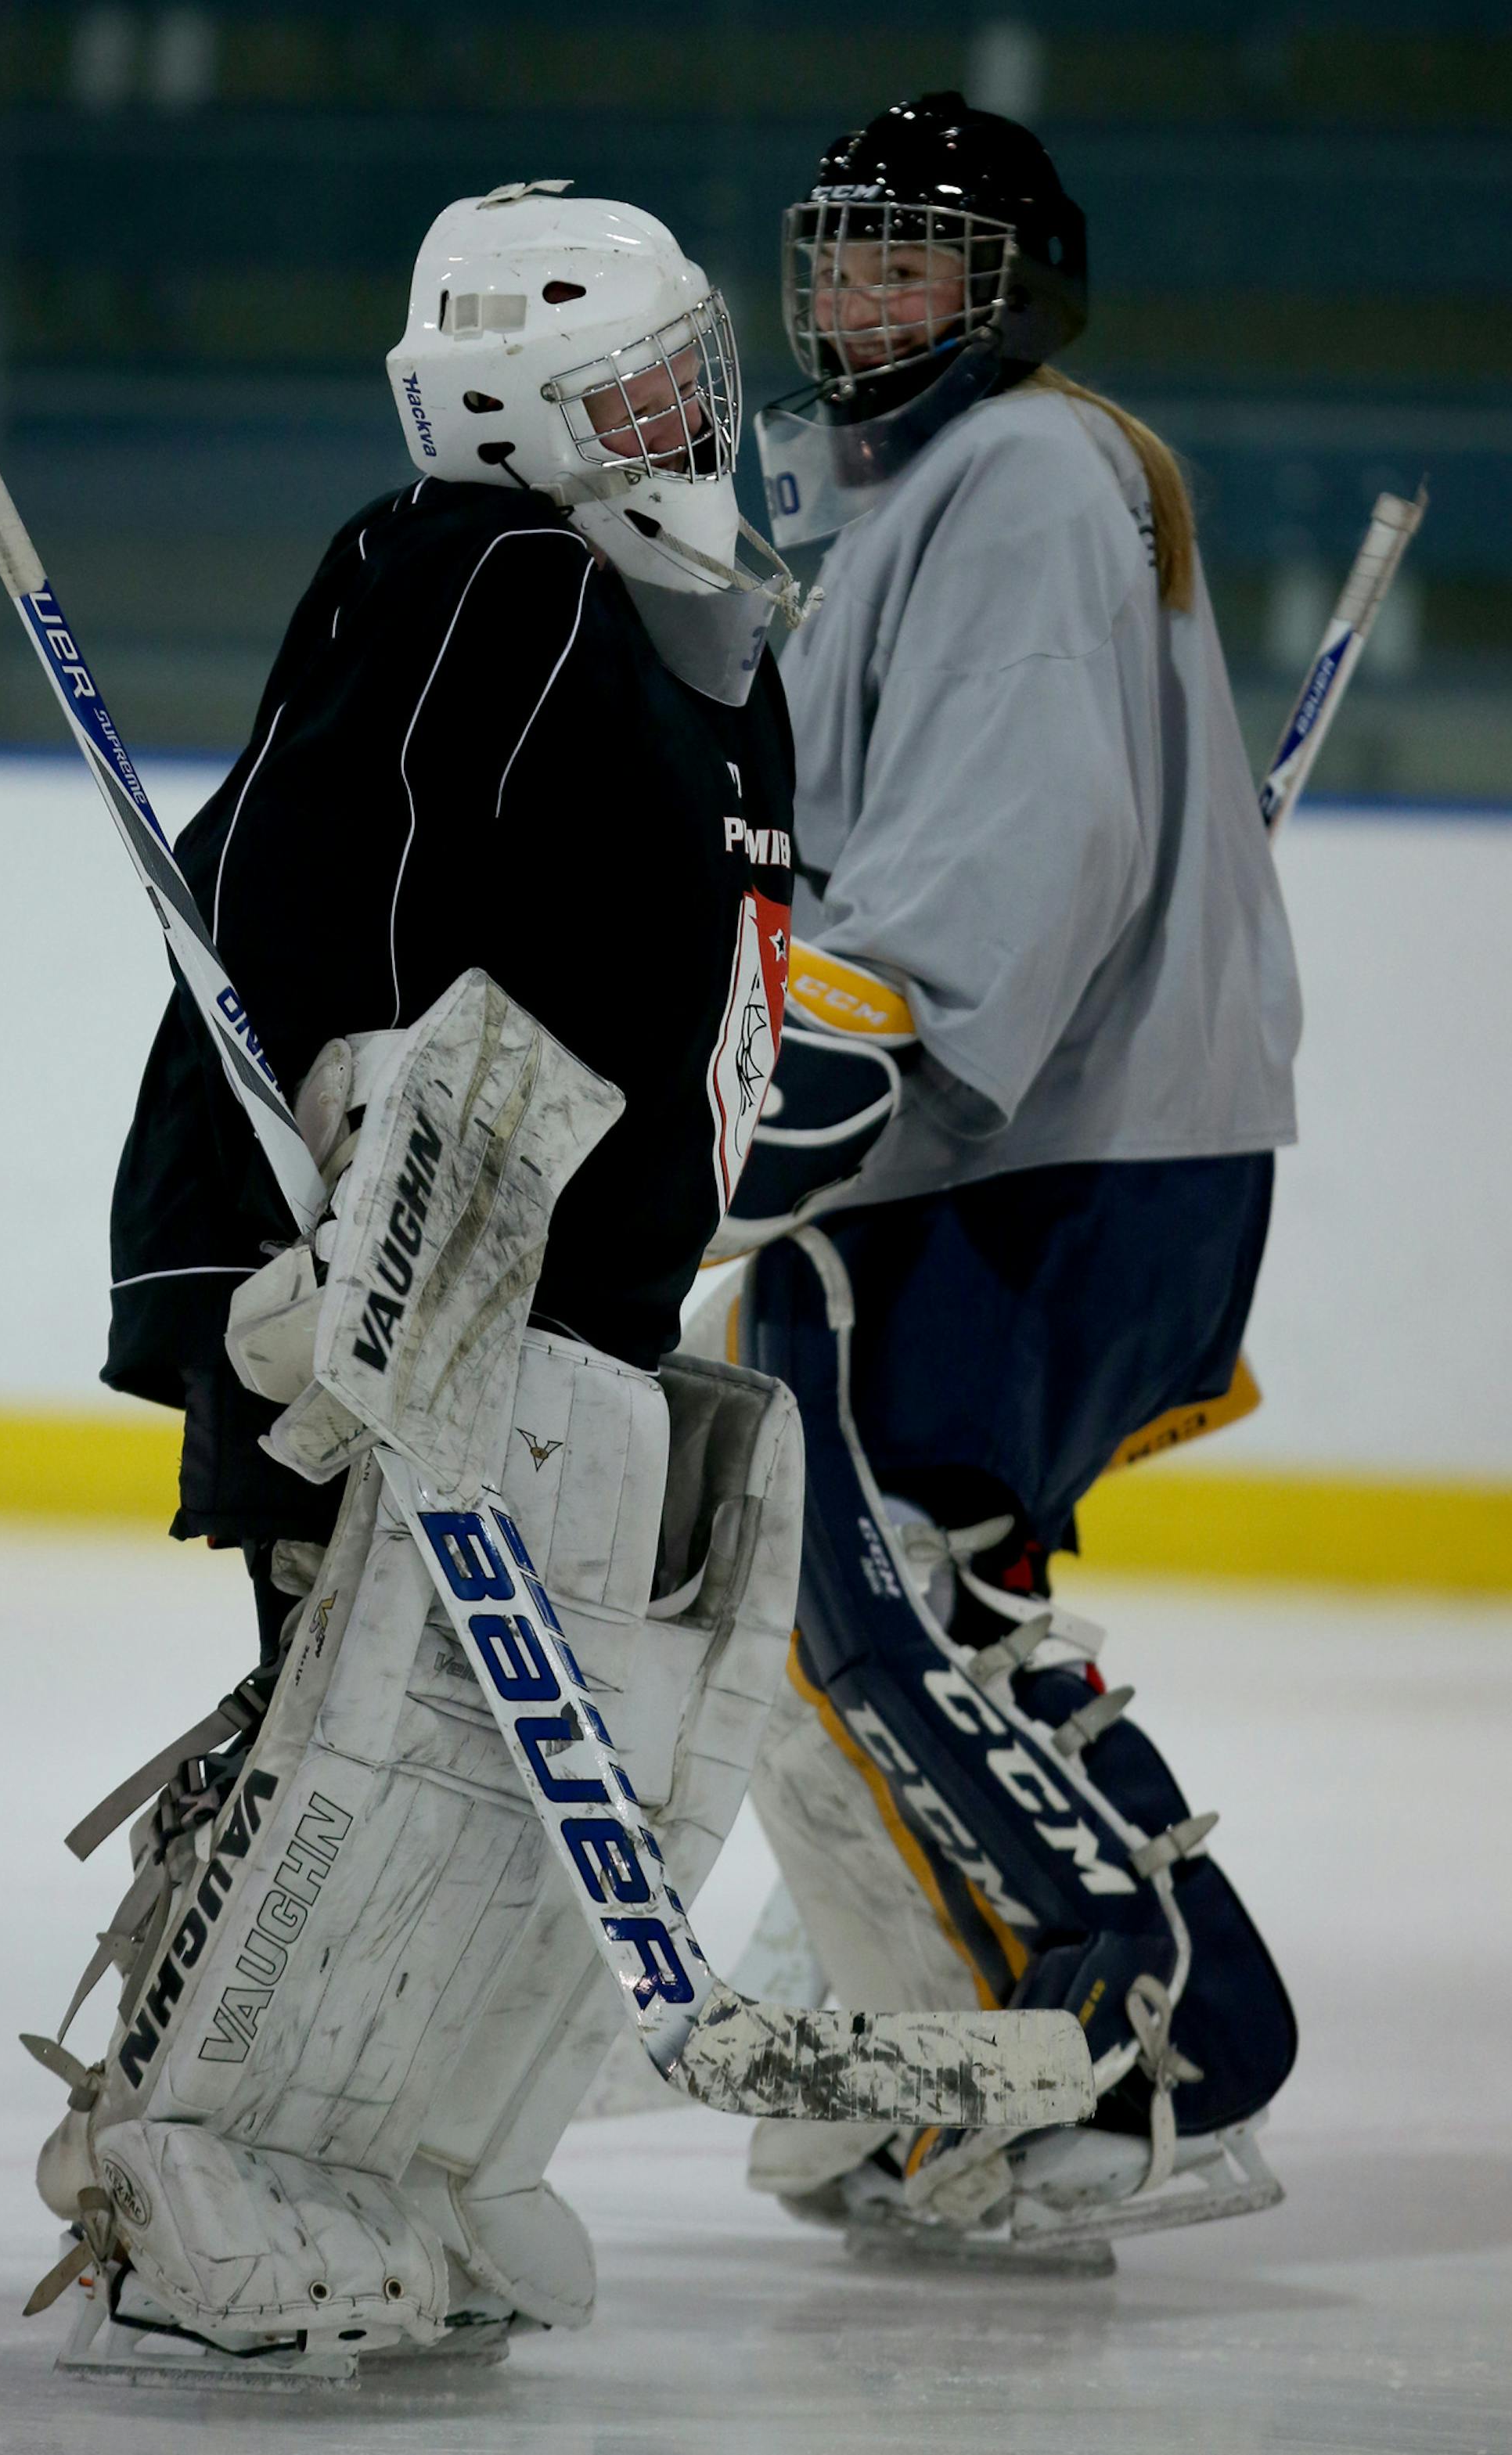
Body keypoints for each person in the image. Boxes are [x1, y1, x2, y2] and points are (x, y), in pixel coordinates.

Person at [21, 182, 813, 2381]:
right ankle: (189, 2171)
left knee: (479, 1783)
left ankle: (408, 2162)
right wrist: (318, 1236)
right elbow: (313, 872)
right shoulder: (494, 571)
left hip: (538, 1319)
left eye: (681, 377)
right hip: (369, 1292)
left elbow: (694, 1003)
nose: (683, 425)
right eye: (631, 396)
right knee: (344, 1750)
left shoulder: (701, 650)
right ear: (517, 422)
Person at [726, 93, 1302, 2262]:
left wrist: (854, 1034)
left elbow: (1032, 811)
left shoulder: (1022, 478)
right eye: (846, 258)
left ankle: (1155, 2029)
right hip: (1029, 1137)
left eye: (915, 262)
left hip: (1003, 1146)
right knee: (905, 1605)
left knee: (872, 1603)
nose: (867, 299)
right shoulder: (947, 486)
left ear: (1013, 288)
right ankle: (989, 2022)